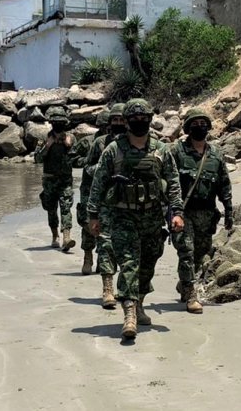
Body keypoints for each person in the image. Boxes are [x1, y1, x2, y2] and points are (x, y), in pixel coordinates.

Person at [88, 98, 184, 340]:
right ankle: (129, 313)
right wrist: (93, 216)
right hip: (123, 216)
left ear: (150, 121)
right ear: (128, 122)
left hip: (152, 217)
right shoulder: (114, 150)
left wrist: (177, 212)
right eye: (135, 119)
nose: (139, 122)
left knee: (149, 262)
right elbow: (98, 184)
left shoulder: (161, 150)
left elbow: (172, 182)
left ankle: (139, 302)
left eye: (144, 119)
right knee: (129, 263)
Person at [167, 108, 233, 315]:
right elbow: (168, 180)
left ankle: (184, 283)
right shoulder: (177, 152)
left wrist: (229, 210)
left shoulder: (216, 155)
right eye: (194, 124)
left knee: (200, 255)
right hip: (183, 212)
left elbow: (224, 184)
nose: (199, 127)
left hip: (207, 213)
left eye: (203, 123)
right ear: (187, 128)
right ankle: (191, 295)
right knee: (186, 252)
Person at [83, 104, 127, 308]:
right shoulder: (100, 144)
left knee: (129, 249)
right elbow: (87, 168)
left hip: (130, 203)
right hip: (106, 204)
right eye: (115, 119)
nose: (118, 123)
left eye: (121, 119)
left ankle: (127, 290)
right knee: (106, 246)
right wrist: (104, 170)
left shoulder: (135, 143)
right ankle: (108, 289)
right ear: (109, 122)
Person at [34, 106, 76, 252]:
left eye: (61, 123)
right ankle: (55, 236)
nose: (59, 125)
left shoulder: (71, 138)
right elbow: (37, 159)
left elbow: (76, 158)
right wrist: (48, 146)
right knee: (51, 209)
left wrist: (68, 146)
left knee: (66, 208)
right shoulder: (44, 138)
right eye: (56, 122)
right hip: (49, 180)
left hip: (65, 180)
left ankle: (66, 237)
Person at [75, 109, 110, 276]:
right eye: (105, 126)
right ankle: (87, 256)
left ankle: (103, 260)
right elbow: (72, 159)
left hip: (110, 190)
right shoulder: (89, 142)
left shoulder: (118, 142)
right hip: (89, 189)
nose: (108, 129)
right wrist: (91, 165)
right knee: (88, 223)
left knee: (107, 226)